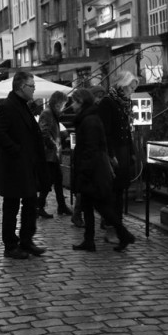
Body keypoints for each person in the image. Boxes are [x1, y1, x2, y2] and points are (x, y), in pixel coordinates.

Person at [0, 71, 48, 260]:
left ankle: (26, 240)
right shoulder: (7, 107)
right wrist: (16, 150)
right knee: (12, 206)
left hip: (27, 166)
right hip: (14, 167)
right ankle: (10, 245)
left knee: (30, 203)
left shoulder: (22, 105)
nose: (34, 90)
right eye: (32, 86)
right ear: (22, 87)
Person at [70, 88, 136, 252]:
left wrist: (84, 171)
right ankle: (89, 240)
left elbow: (91, 149)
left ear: (81, 102)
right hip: (92, 170)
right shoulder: (88, 118)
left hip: (93, 172)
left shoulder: (90, 120)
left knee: (102, 207)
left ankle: (123, 234)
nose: (71, 105)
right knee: (89, 206)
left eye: (74, 101)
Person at [98, 70, 139, 243]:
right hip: (114, 152)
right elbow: (105, 132)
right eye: (130, 86)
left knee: (119, 190)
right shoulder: (108, 102)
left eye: (133, 87)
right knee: (112, 193)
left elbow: (127, 131)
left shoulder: (124, 103)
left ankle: (118, 226)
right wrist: (111, 154)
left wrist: (131, 153)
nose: (132, 90)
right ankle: (111, 228)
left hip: (123, 152)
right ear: (122, 85)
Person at [71, 85, 107, 229]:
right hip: (91, 165)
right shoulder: (89, 117)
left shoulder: (89, 116)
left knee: (92, 198)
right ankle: (117, 229)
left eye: (74, 102)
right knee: (96, 200)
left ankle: (90, 234)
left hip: (90, 165)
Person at [37, 91, 72, 219]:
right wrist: (53, 144)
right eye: (63, 104)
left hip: (53, 154)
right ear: (57, 103)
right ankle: (39, 207)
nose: (63, 107)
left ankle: (61, 205)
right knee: (49, 181)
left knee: (57, 179)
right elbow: (44, 132)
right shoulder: (47, 113)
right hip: (48, 154)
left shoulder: (52, 114)